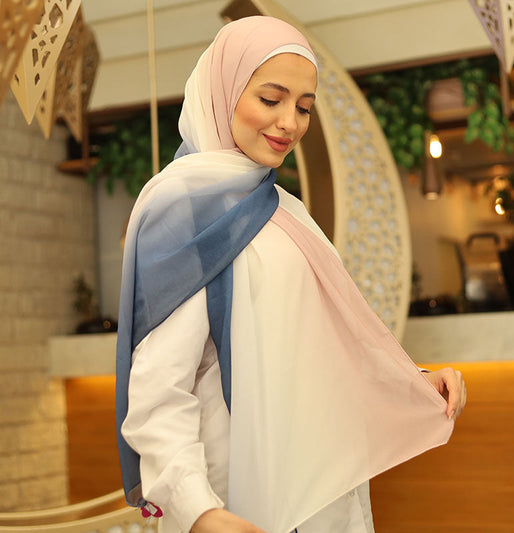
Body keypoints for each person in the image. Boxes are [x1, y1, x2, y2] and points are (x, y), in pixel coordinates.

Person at [115, 15, 466, 533]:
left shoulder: (285, 209)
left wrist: (415, 381)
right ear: (224, 89)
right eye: (270, 99)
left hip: (322, 488)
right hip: (235, 502)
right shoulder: (182, 210)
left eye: (303, 107)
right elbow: (159, 391)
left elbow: (319, 343)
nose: (289, 123)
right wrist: (199, 511)